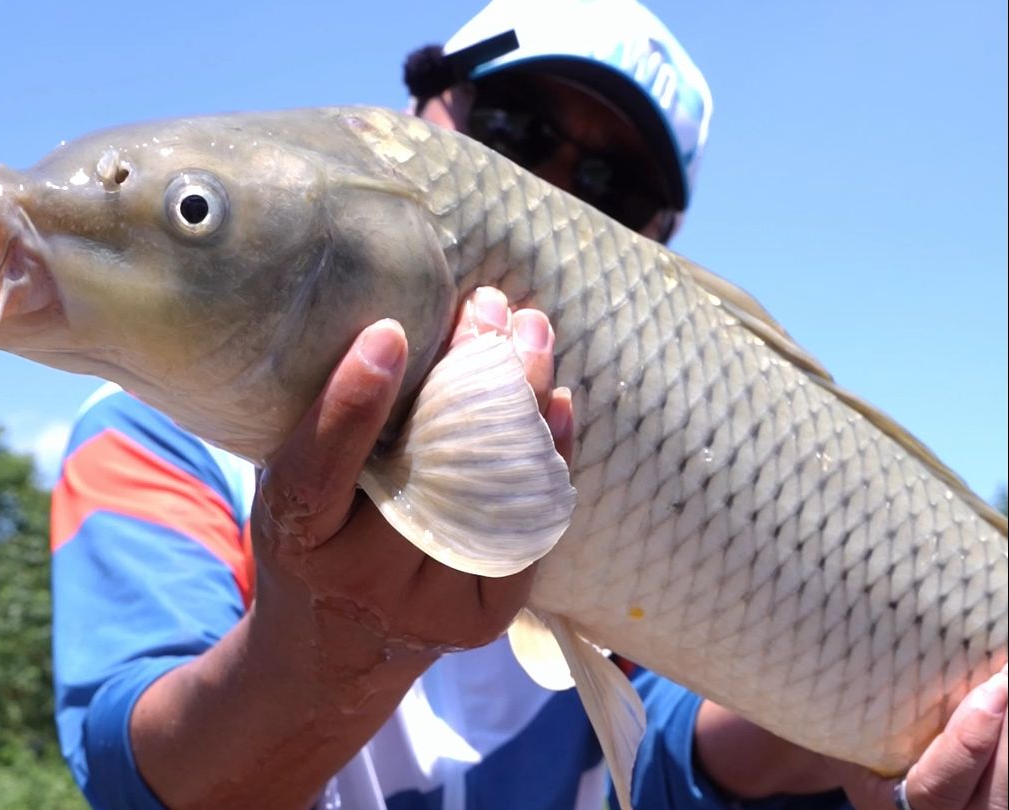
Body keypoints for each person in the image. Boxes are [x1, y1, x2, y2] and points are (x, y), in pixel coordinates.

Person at [49, 1, 1008, 809]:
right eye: (513, 131)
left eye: (607, 185)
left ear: (661, 237)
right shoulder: (149, 435)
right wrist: (328, 658)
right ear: (425, 107)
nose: (543, 188)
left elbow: (671, 754)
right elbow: (130, 765)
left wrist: (898, 726)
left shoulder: (676, 434)